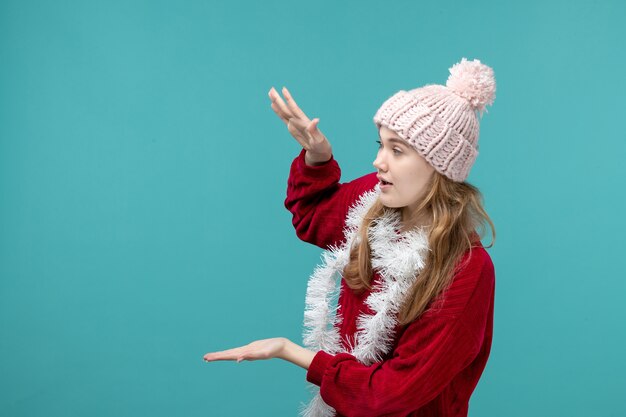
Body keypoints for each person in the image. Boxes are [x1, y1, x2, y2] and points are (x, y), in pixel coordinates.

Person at [203, 57, 497, 417]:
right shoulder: (372, 202)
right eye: (381, 144)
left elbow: (392, 394)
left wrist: (289, 351)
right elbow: (312, 217)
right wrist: (317, 156)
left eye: (397, 150)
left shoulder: (466, 268)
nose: (378, 162)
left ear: (439, 167)